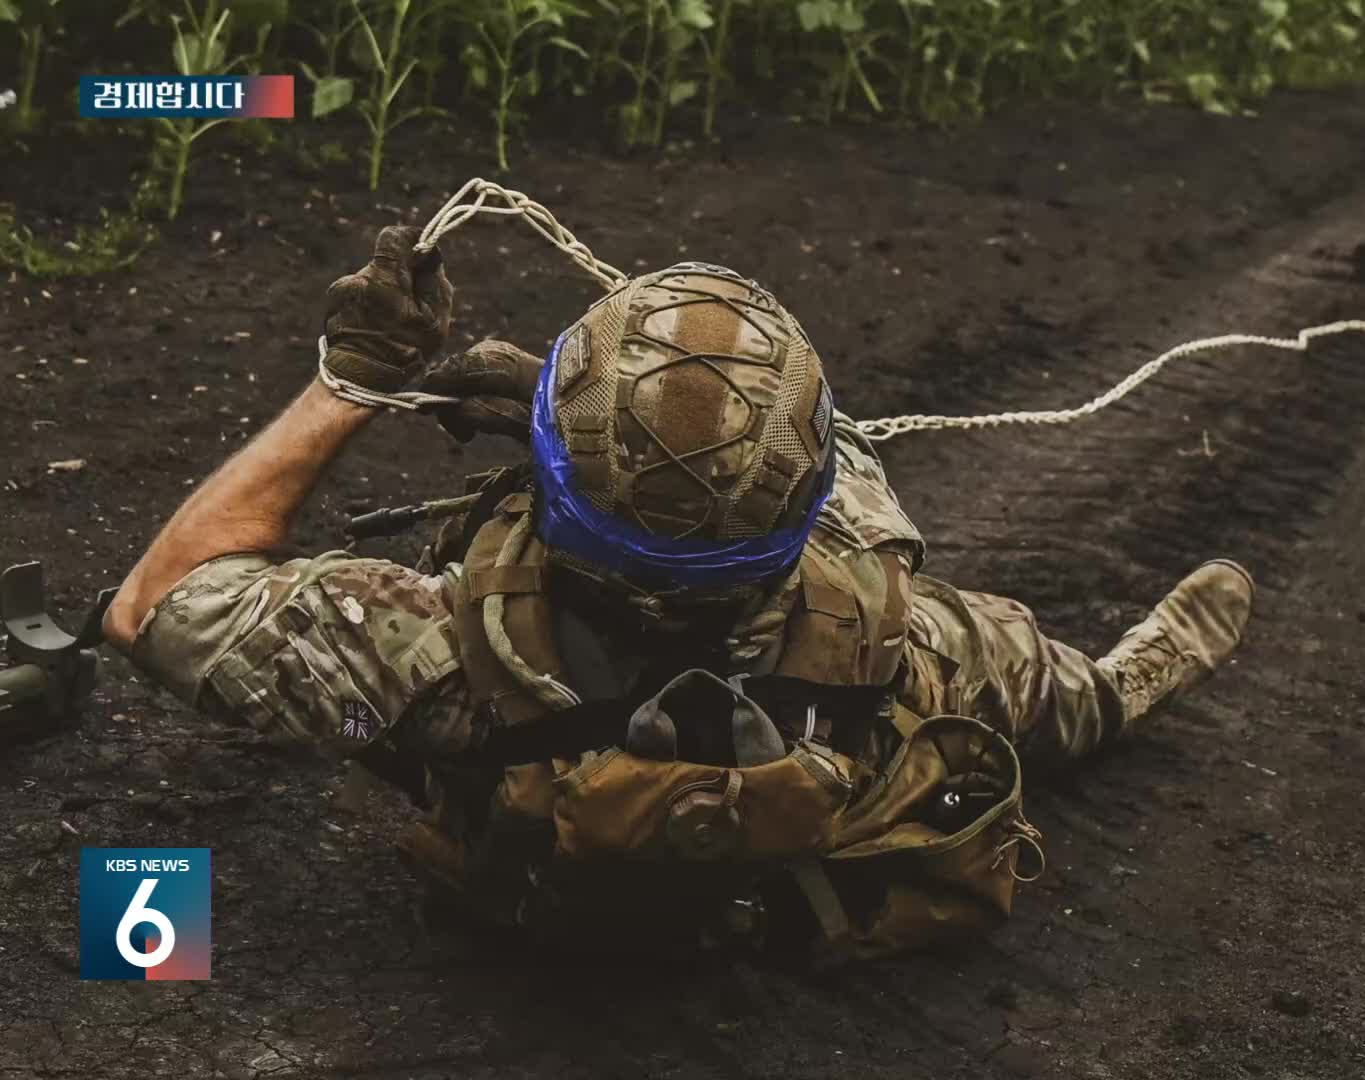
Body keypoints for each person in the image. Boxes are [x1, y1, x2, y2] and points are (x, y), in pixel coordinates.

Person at [99, 226, 1255, 952]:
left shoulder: (420, 651)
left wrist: (349, 379)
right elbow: (813, 490)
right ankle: (1127, 680)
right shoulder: (914, 641)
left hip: (522, 854)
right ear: (814, 500)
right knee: (1054, 696)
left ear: (543, 466)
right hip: (833, 709)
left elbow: (155, 601)